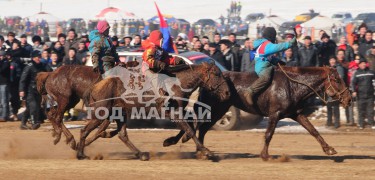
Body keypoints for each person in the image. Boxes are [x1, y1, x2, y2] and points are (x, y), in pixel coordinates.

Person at [242, 27, 296, 105]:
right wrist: (291, 43)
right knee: (266, 78)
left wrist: (278, 61)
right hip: (262, 67)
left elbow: (269, 57)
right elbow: (279, 47)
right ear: (272, 36)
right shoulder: (267, 45)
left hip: (264, 64)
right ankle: (249, 91)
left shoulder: (263, 44)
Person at [19, 51, 52, 130]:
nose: (38, 58)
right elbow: (23, 79)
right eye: (37, 57)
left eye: (39, 57)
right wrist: (21, 90)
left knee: (30, 108)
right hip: (29, 90)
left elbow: (49, 72)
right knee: (33, 106)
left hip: (39, 90)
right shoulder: (29, 66)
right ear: (33, 58)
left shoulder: (42, 65)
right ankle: (34, 123)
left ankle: (23, 123)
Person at [351, 59, 375, 129]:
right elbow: (353, 83)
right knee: (361, 110)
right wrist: (354, 91)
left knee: (370, 110)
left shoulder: (371, 72)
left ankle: (372, 123)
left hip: (370, 95)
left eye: (364, 63)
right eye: (362, 63)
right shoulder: (357, 73)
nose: (363, 64)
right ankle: (361, 124)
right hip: (360, 95)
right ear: (359, 65)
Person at [326, 56, 342, 128]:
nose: (332, 61)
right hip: (328, 90)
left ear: (335, 61)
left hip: (336, 90)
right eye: (331, 60)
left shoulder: (338, 68)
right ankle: (329, 122)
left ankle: (337, 123)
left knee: (336, 107)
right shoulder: (327, 69)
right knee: (329, 107)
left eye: (333, 60)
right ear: (329, 61)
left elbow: (341, 78)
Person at [0, 50, 10, 122]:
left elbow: (2, 70)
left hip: (4, 84)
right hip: (1, 83)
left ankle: (4, 116)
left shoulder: (6, 62)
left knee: (4, 101)